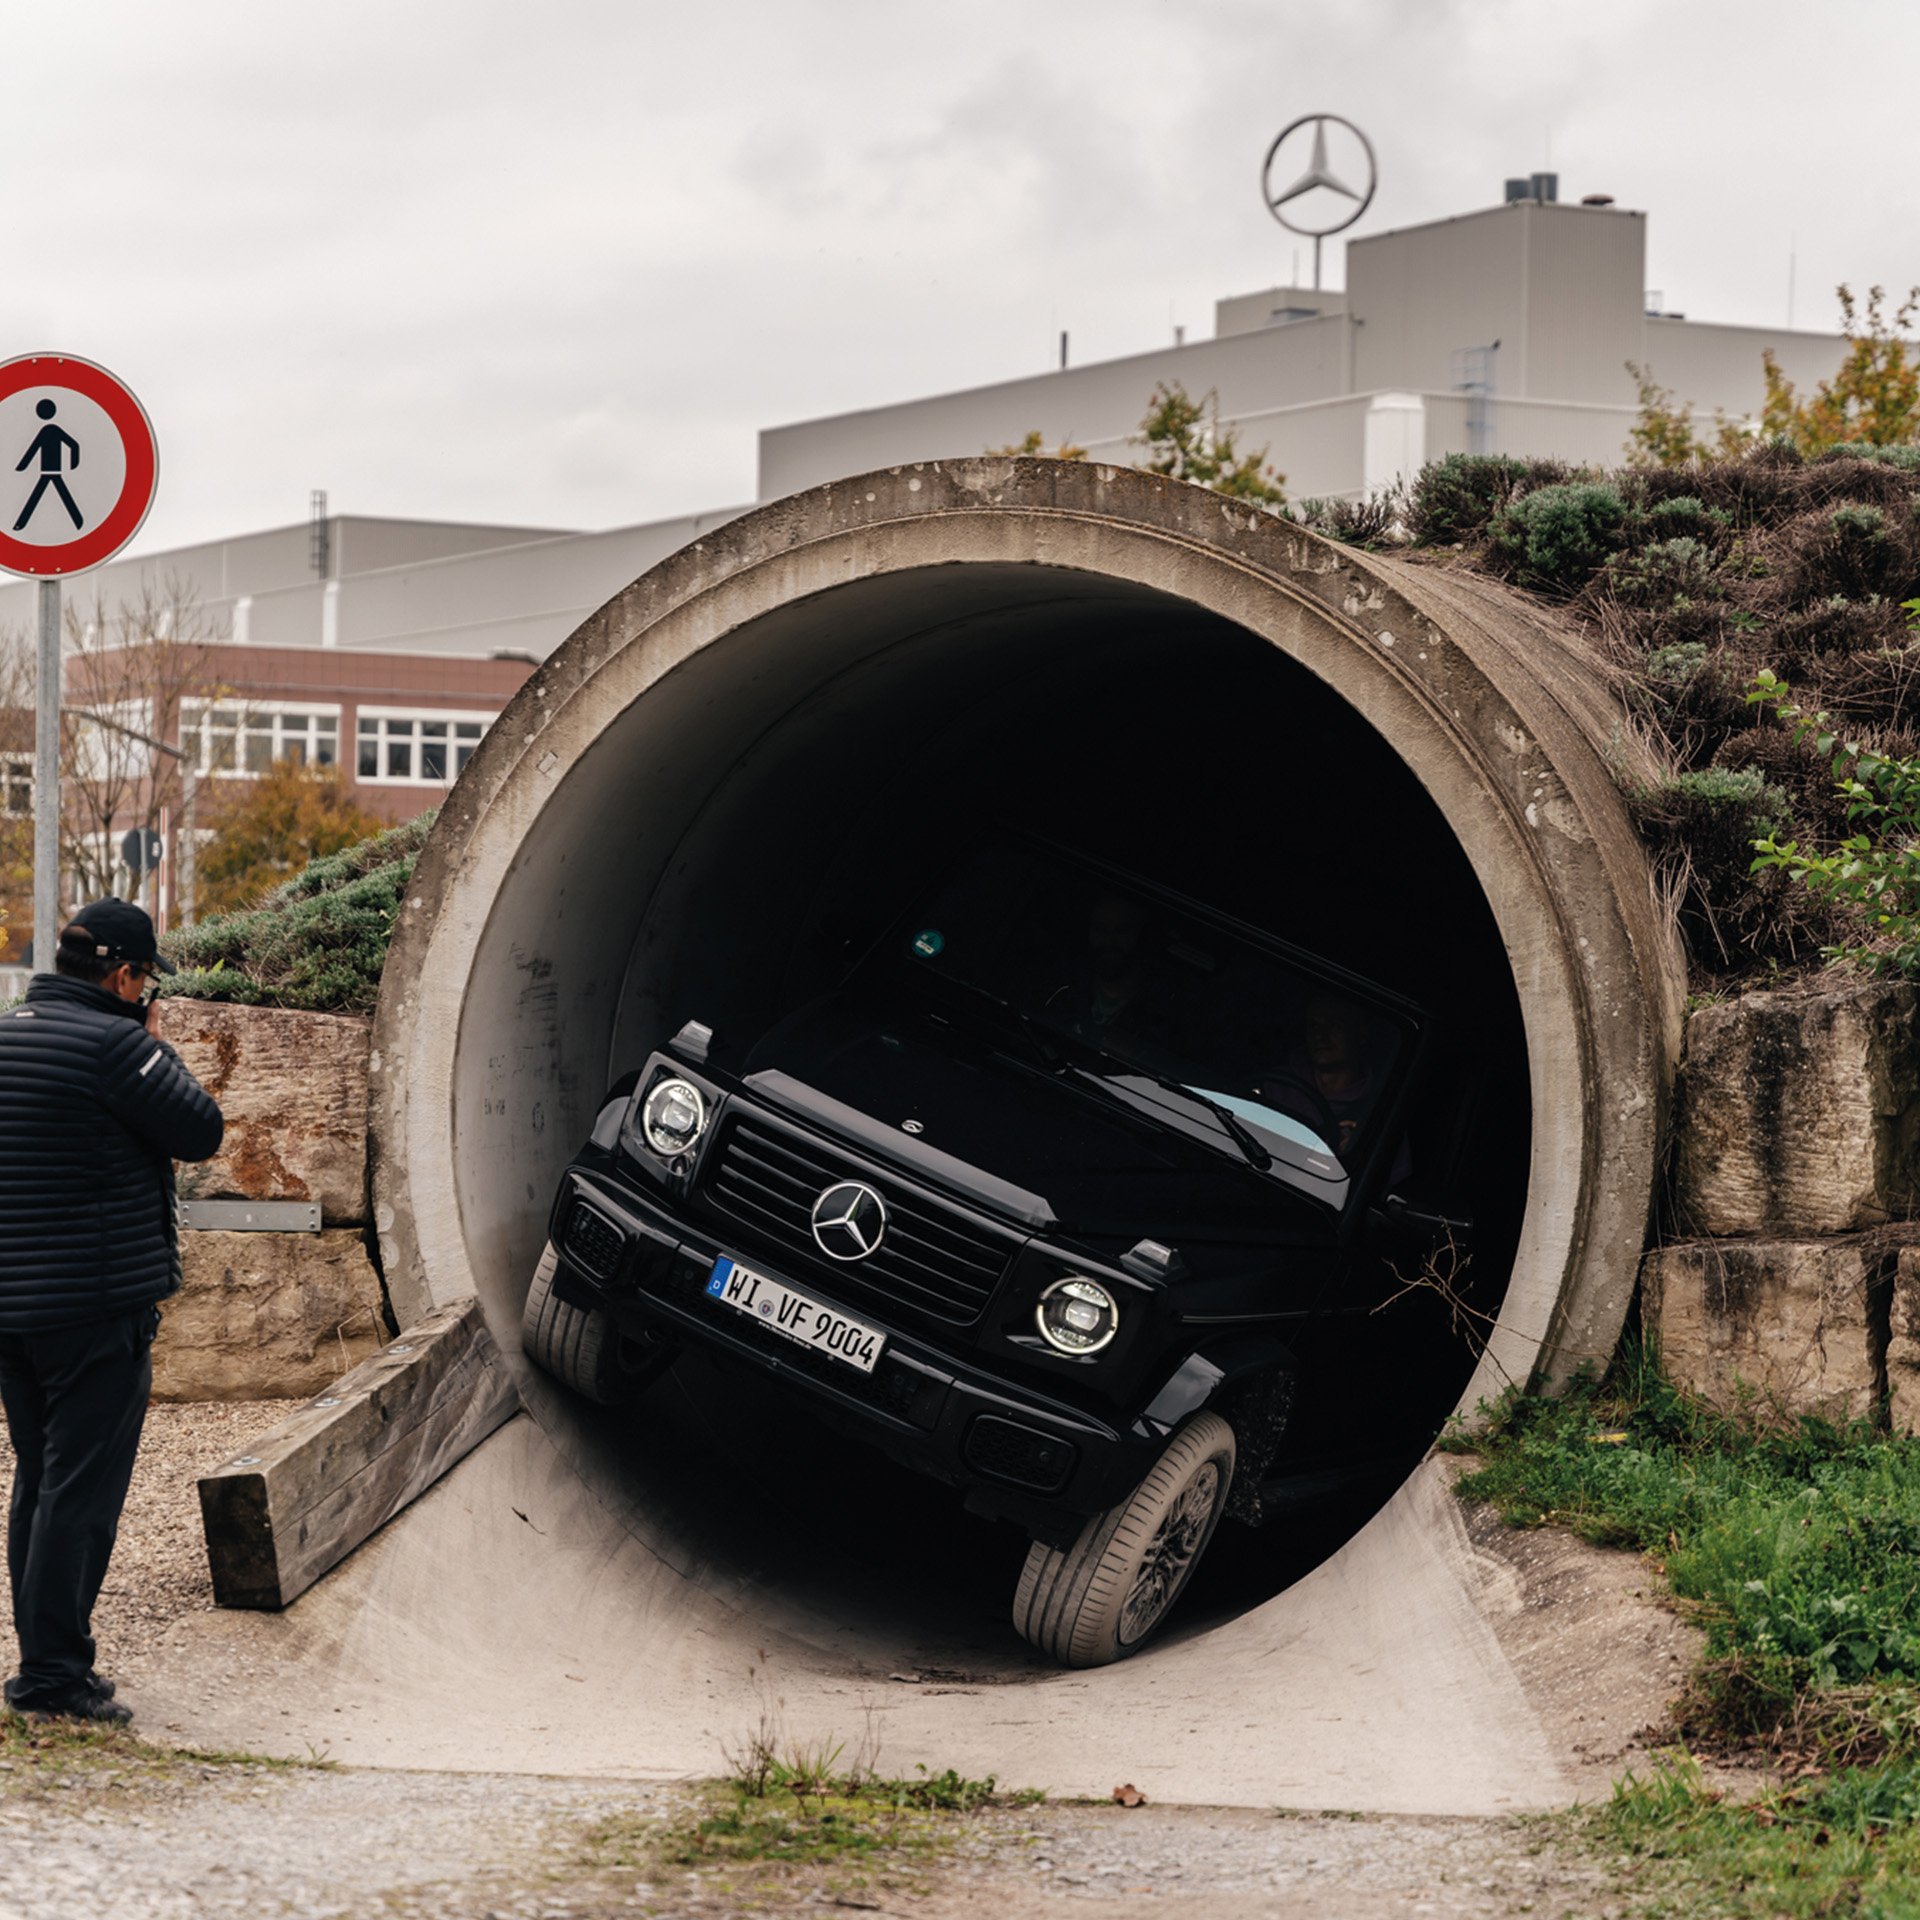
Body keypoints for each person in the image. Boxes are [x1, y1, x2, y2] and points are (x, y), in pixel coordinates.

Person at [0, 899, 223, 1722]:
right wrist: (156, 1046)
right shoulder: (120, 1047)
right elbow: (201, 1130)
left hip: (15, 1314)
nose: (144, 994)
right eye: (144, 980)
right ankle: (53, 1678)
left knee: (41, 1479)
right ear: (126, 975)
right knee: (80, 1494)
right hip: (94, 1311)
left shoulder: (8, 1035)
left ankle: (43, 1662)